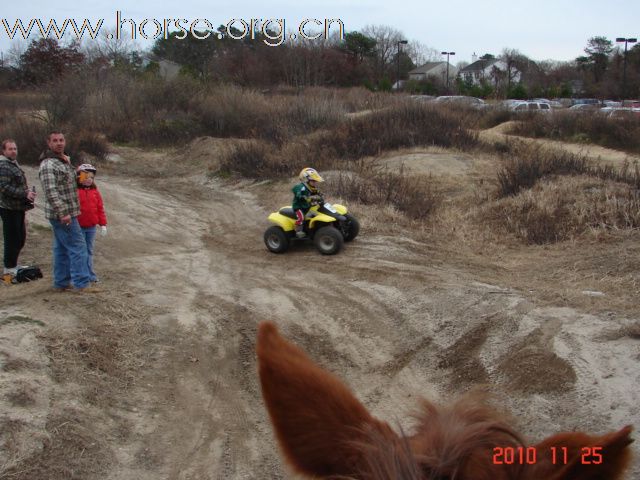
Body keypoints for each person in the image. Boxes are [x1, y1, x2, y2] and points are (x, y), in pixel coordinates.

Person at [38, 131, 98, 293]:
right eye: (55, 140)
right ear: (48, 143)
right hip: (63, 215)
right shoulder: (48, 164)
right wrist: (63, 212)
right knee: (78, 247)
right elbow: (51, 191)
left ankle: (61, 282)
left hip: (70, 213)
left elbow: (73, 183)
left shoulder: (63, 161)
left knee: (61, 249)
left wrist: (76, 168)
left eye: (61, 140)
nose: (59, 143)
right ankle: (82, 284)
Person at [0, 139, 36, 281]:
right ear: (3, 151)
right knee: (12, 239)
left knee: (20, 238)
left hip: (18, 207)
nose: (13, 151)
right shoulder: (3, 166)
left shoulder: (12, 164)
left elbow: (17, 185)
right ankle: (8, 273)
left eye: (15, 148)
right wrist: (24, 194)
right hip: (8, 208)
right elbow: (4, 187)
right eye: (10, 149)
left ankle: (13, 267)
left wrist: (28, 193)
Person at [76, 163, 107, 283]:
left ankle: (90, 274)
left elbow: (100, 208)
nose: (89, 179)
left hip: (91, 227)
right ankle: (81, 275)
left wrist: (103, 224)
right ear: (79, 177)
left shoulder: (95, 191)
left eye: (91, 177)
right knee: (80, 251)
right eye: (86, 176)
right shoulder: (76, 191)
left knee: (88, 251)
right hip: (78, 226)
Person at [292, 167, 324, 238]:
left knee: (316, 214)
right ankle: (298, 231)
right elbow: (295, 191)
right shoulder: (300, 187)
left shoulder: (311, 188)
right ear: (306, 180)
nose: (315, 183)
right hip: (298, 207)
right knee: (301, 217)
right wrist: (301, 196)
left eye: (315, 181)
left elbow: (317, 192)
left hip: (307, 206)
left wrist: (321, 195)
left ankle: (313, 229)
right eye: (313, 181)